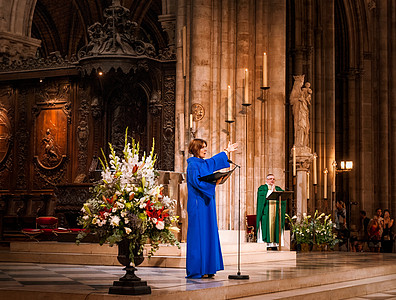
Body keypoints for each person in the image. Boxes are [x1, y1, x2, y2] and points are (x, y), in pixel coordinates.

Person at [186, 138, 238, 279]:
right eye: (202, 147)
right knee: (199, 235)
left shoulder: (203, 163)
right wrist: (214, 184)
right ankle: (198, 269)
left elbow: (213, 162)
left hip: (207, 202)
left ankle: (208, 268)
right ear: (195, 148)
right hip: (197, 204)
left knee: (209, 232)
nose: (205, 149)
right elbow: (196, 182)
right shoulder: (192, 165)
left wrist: (226, 151)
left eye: (205, 147)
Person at [256, 174, 285, 248]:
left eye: (273, 179)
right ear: (266, 180)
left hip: (275, 212)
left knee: (276, 226)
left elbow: (283, 196)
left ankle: (274, 243)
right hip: (266, 212)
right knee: (266, 226)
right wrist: (271, 191)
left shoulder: (277, 188)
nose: (272, 180)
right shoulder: (262, 188)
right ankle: (266, 243)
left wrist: (275, 191)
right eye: (270, 179)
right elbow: (261, 197)